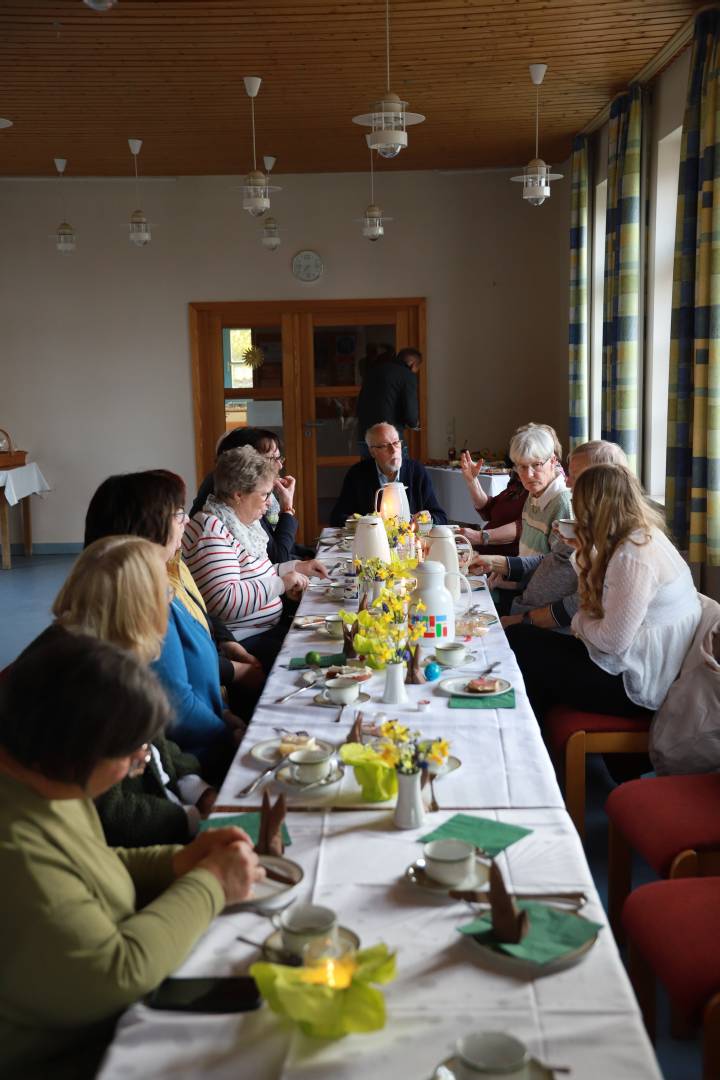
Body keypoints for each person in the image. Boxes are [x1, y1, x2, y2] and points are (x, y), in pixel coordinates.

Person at [0, 628, 264, 1079]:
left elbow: (96, 863)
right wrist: (212, 883)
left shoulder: (47, 783)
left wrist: (180, 861)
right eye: (133, 755)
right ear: (77, 750)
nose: (140, 764)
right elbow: (115, 973)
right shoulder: (15, 849)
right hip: (72, 1054)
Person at [505, 464, 701, 728]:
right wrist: (584, 550)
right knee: (530, 646)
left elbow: (612, 641)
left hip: (633, 684)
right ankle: (544, 746)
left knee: (522, 642)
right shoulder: (642, 535)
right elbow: (599, 597)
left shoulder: (633, 555)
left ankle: (535, 742)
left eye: (579, 503)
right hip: (634, 663)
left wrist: (577, 624)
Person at [52, 535, 218, 846]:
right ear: (138, 609)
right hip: (154, 844)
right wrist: (193, 819)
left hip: (176, 811)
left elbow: (159, 747)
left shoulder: (114, 657)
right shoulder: (86, 693)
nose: (170, 602)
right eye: (165, 593)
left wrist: (199, 789)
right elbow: (112, 813)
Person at [85, 470, 251, 777]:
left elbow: (191, 670)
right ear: (148, 526)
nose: (186, 521)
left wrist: (224, 714)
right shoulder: (142, 600)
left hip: (209, 736)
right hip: (189, 764)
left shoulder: (164, 578)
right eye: (178, 515)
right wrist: (229, 735)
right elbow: (176, 706)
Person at [183, 446, 329, 672]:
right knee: (320, 658)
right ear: (238, 494)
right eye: (264, 494)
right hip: (244, 641)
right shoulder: (211, 528)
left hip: (265, 630)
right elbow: (224, 601)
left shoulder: (240, 523)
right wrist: (282, 584)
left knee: (328, 636)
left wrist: (297, 567)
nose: (270, 503)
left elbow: (255, 574)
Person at [477, 440, 628, 628]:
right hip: (526, 606)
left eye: (575, 475)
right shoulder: (586, 519)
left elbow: (579, 603)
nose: (566, 481)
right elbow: (553, 559)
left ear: (602, 479)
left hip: (552, 627)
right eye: (521, 467)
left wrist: (523, 620)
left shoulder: (613, 538)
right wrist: (496, 563)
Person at [190, 428, 311, 561]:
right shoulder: (240, 496)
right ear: (245, 461)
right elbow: (278, 556)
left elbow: (279, 545)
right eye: (272, 458)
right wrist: (287, 508)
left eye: (279, 458)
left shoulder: (254, 492)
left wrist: (310, 555)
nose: (280, 466)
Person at [330, 421, 447, 526]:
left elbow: (440, 517)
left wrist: (428, 519)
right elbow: (337, 518)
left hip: (409, 544)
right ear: (372, 451)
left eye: (396, 443)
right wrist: (354, 521)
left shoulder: (417, 471)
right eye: (385, 446)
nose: (393, 450)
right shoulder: (357, 474)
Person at [458, 452, 527, 555]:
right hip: (483, 553)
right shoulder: (518, 483)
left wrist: (479, 536)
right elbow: (489, 509)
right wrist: (472, 481)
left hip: (504, 561)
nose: (516, 469)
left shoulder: (539, 490)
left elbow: (525, 527)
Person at [356, 347, 422, 449]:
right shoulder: (407, 375)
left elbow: (360, 401)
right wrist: (414, 424)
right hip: (388, 436)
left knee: (368, 465)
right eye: (417, 369)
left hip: (365, 434)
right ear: (413, 364)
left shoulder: (373, 371)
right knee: (397, 464)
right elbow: (410, 410)